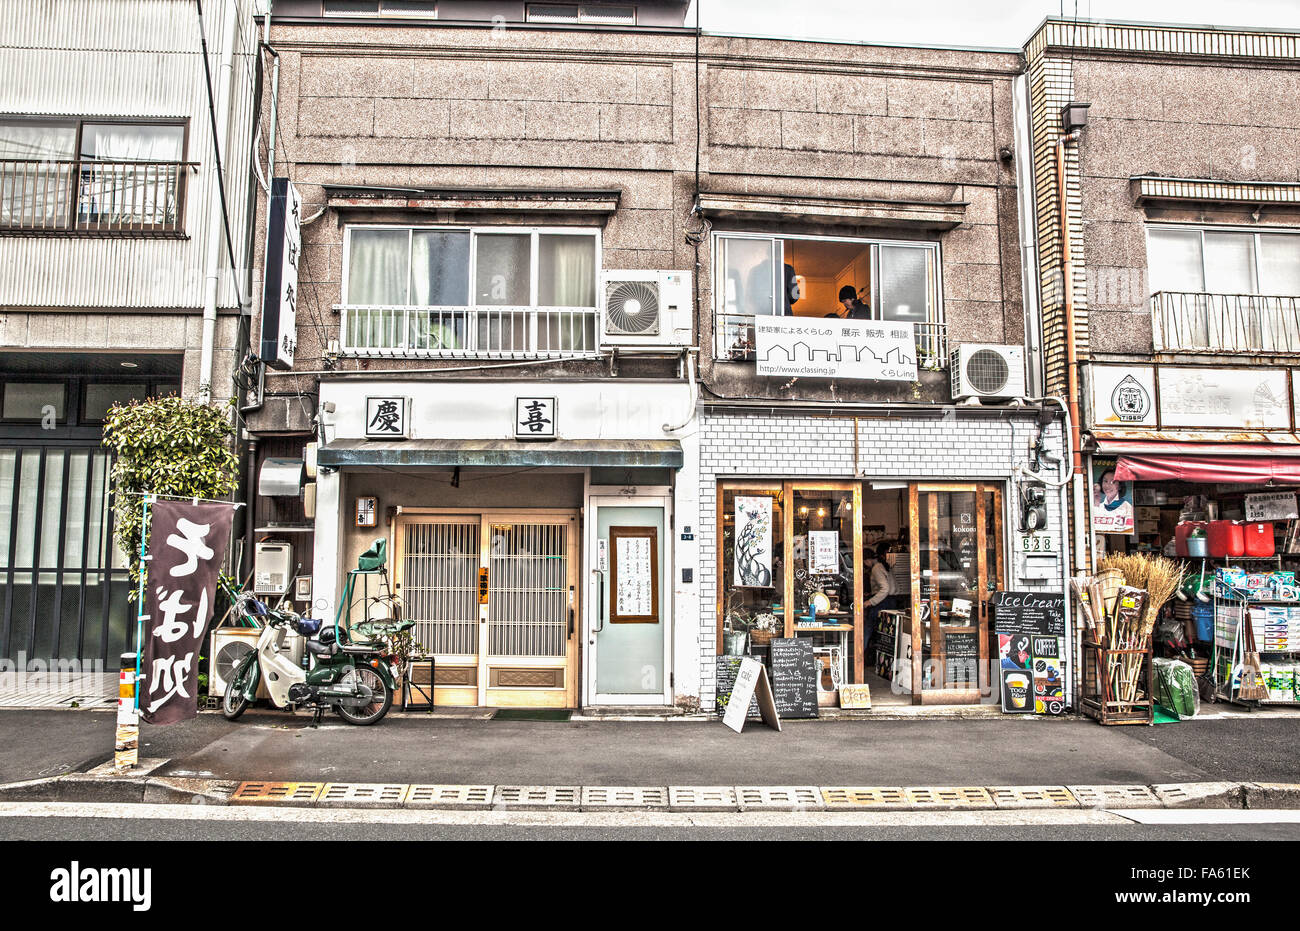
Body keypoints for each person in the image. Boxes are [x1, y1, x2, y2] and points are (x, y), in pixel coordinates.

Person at [863, 543, 895, 661]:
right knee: (884, 631)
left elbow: (885, 588)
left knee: (868, 627)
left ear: (867, 560)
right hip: (890, 601)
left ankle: (861, 653)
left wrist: (870, 601)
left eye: (864, 562)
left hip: (882, 603)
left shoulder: (876, 568)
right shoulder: (882, 565)